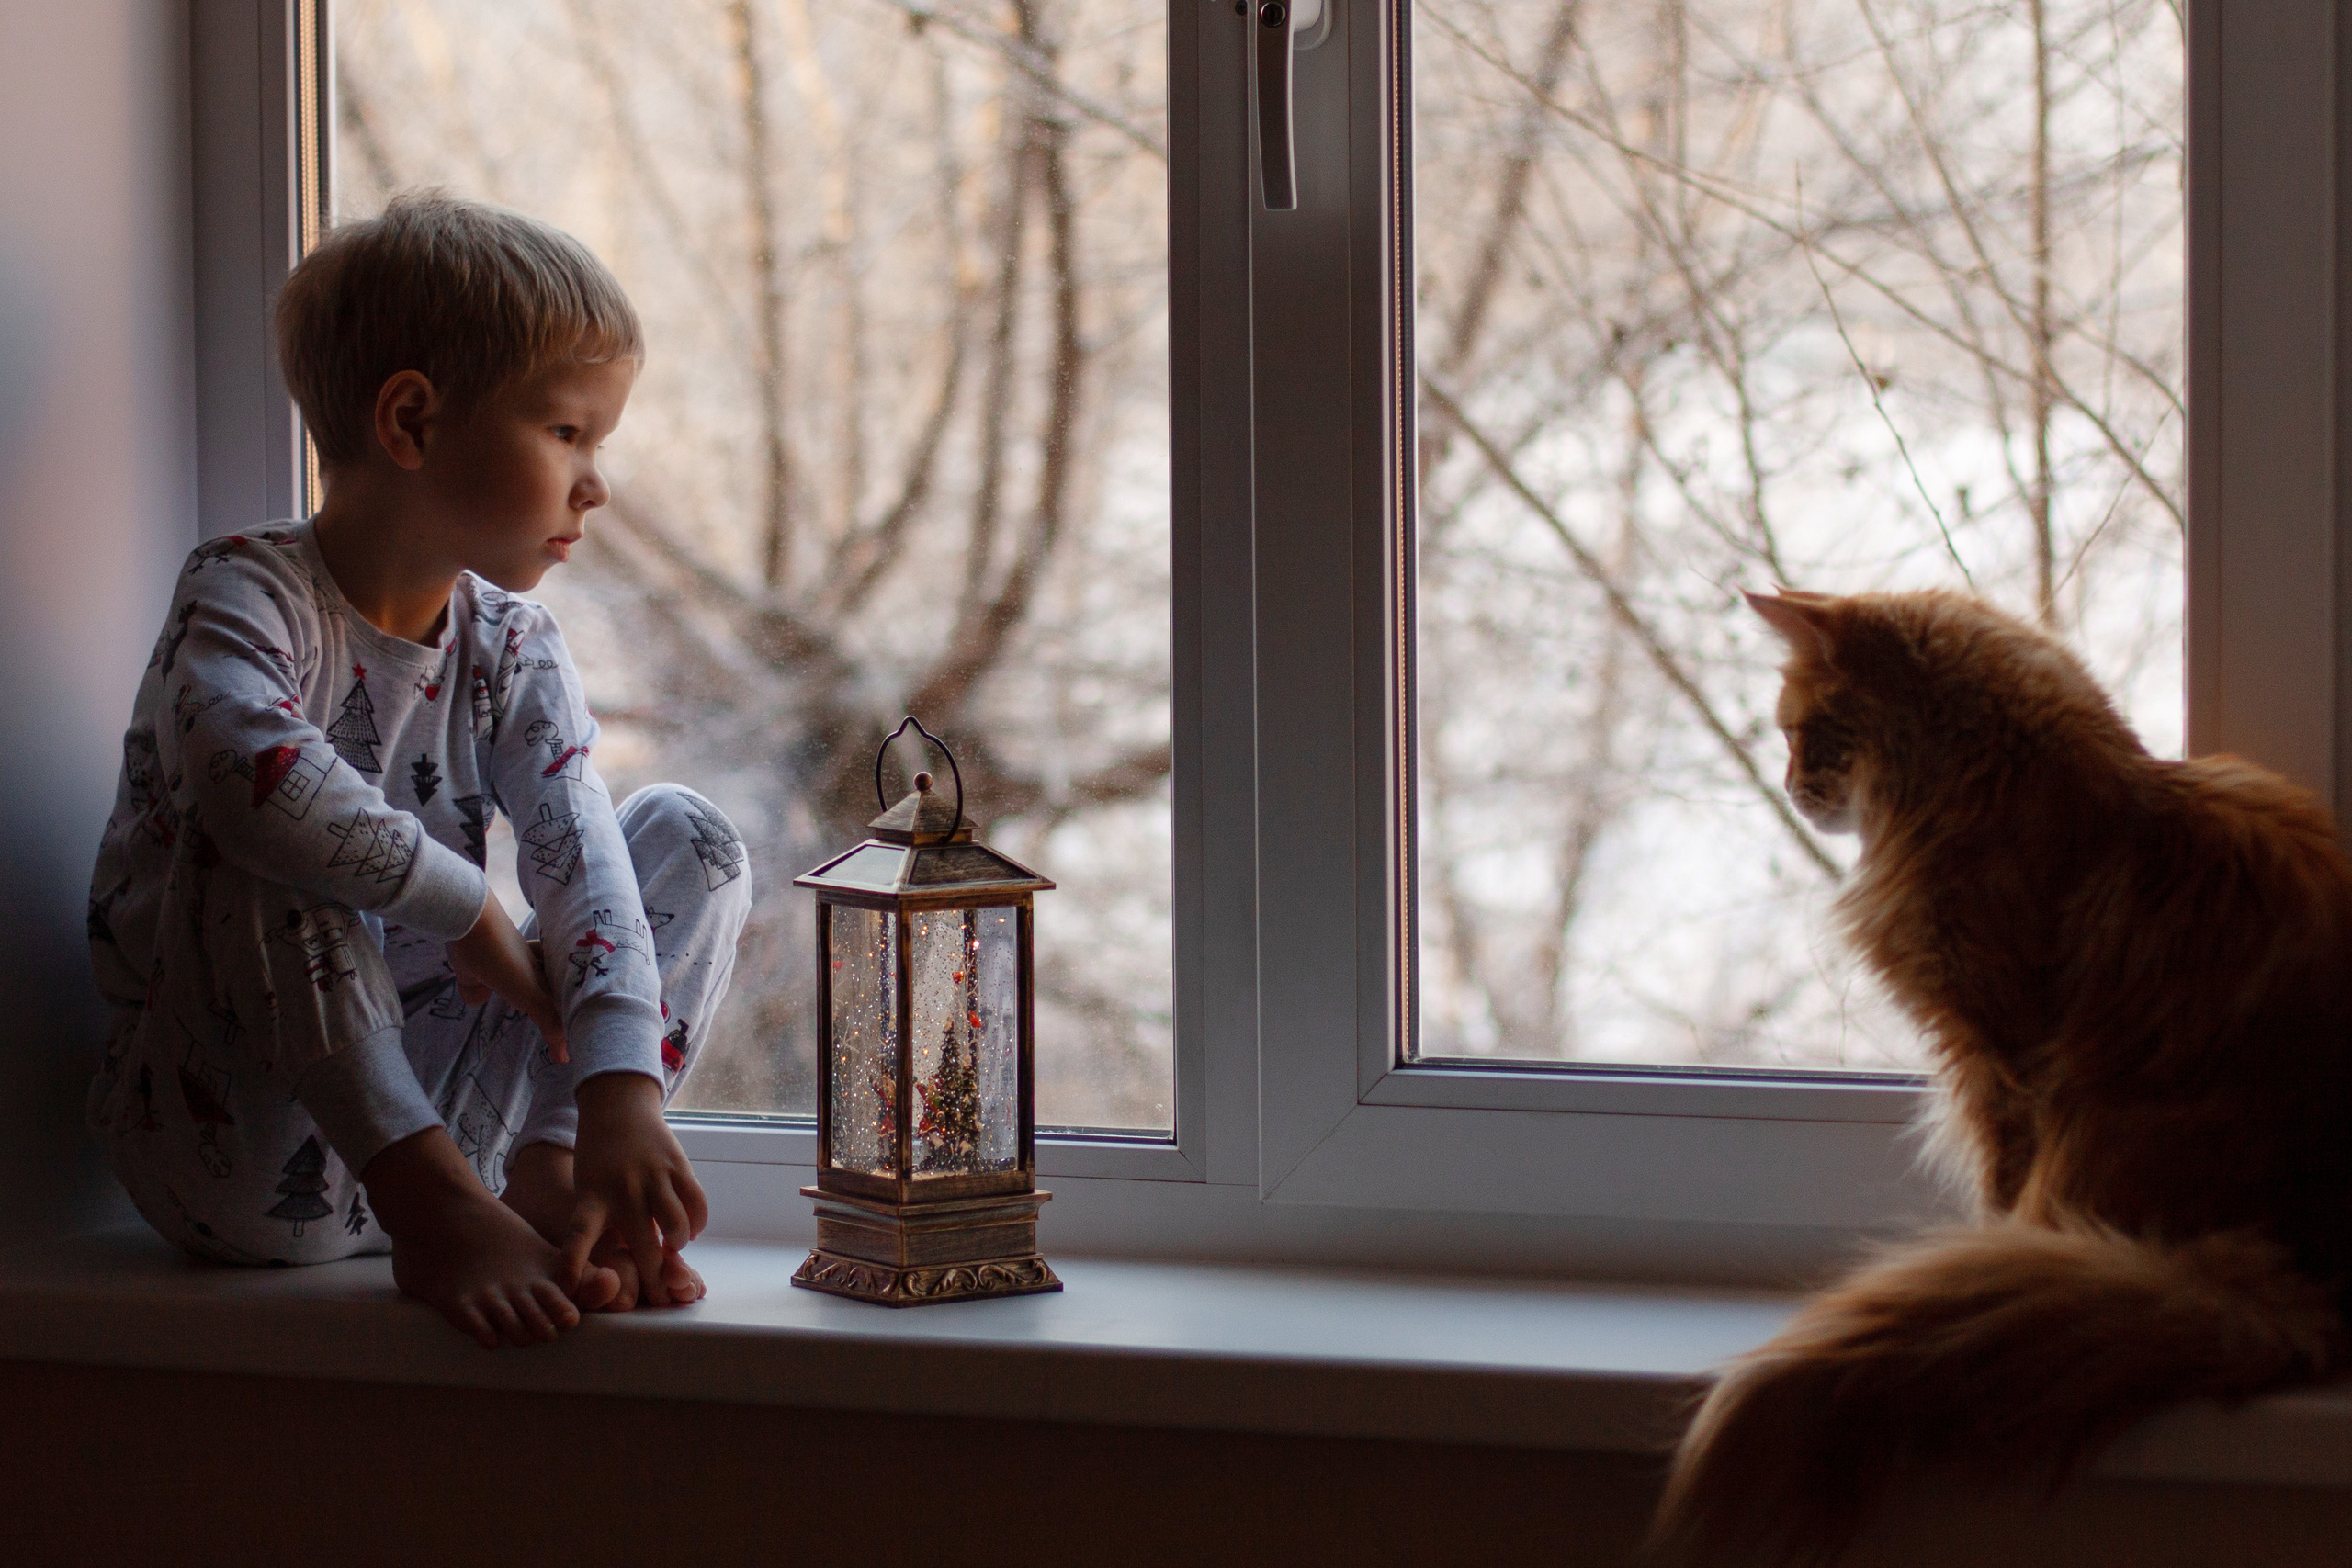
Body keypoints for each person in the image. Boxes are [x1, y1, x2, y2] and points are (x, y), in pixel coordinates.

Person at [85, 191, 751, 1349]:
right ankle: (432, 1207)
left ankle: (544, 1176)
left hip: (464, 1117)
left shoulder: (513, 643)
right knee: (266, 834)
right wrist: (466, 912)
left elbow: (583, 858)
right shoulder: (246, 592)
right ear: (410, 422)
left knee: (684, 833)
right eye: (566, 434)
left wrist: (618, 1093)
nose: (595, 484)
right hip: (238, 1155)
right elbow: (253, 771)